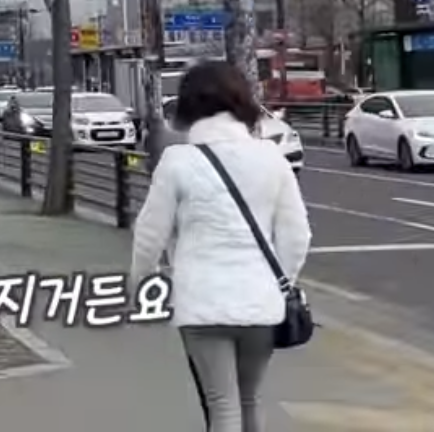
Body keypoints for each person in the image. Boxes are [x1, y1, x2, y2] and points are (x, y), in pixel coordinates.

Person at [130, 61, 313, 432]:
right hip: (260, 302)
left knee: (222, 405)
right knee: (250, 399)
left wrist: (140, 285)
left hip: (201, 303)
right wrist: (282, 283)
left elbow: (149, 235)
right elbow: (298, 236)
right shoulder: (271, 158)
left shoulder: (177, 161)